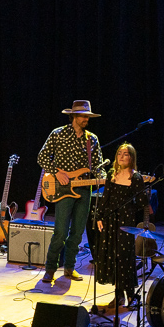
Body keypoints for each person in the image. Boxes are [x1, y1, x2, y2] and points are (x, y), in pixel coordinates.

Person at [38, 100, 105, 283]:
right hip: (62, 189)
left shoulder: (92, 139)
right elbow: (42, 157)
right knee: (60, 231)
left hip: (84, 189)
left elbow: (98, 167)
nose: (87, 120)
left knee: (77, 232)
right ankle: (50, 268)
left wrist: (104, 177)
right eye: (84, 116)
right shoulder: (58, 134)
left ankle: (69, 267)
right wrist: (57, 172)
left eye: (88, 117)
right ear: (74, 116)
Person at [95, 142, 151, 305]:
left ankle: (131, 294)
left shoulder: (136, 177)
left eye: (125, 154)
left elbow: (142, 203)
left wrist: (138, 198)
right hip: (109, 219)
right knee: (112, 255)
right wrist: (99, 216)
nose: (121, 156)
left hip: (126, 221)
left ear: (131, 157)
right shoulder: (112, 173)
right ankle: (119, 295)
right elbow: (105, 197)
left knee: (124, 256)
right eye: (119, 153)